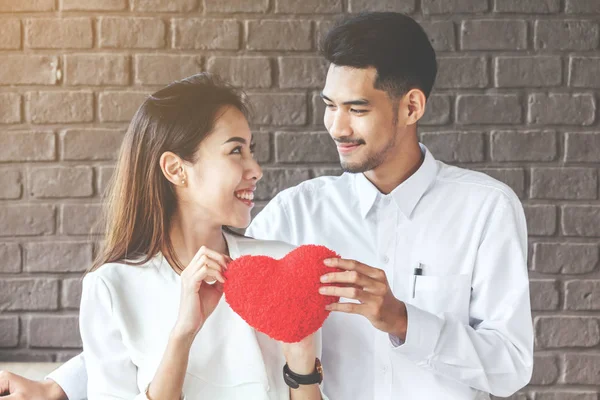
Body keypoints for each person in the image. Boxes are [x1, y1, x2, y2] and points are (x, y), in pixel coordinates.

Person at [0, 12, 533, 400]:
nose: (336, 126)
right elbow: (152, 311)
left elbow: (510, 366)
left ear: (411, 105)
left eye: (357, 108)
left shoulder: (485, 211)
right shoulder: (296, 216)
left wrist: (399, 318)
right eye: (329, 106)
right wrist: (58, 387)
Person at [0, 73, 328, 400]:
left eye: (251, 151)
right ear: (175, 169)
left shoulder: (283, 267)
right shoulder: (112, 287)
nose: (255, 169)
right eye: (235, 151)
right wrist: (182, 335)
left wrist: (302, 368)